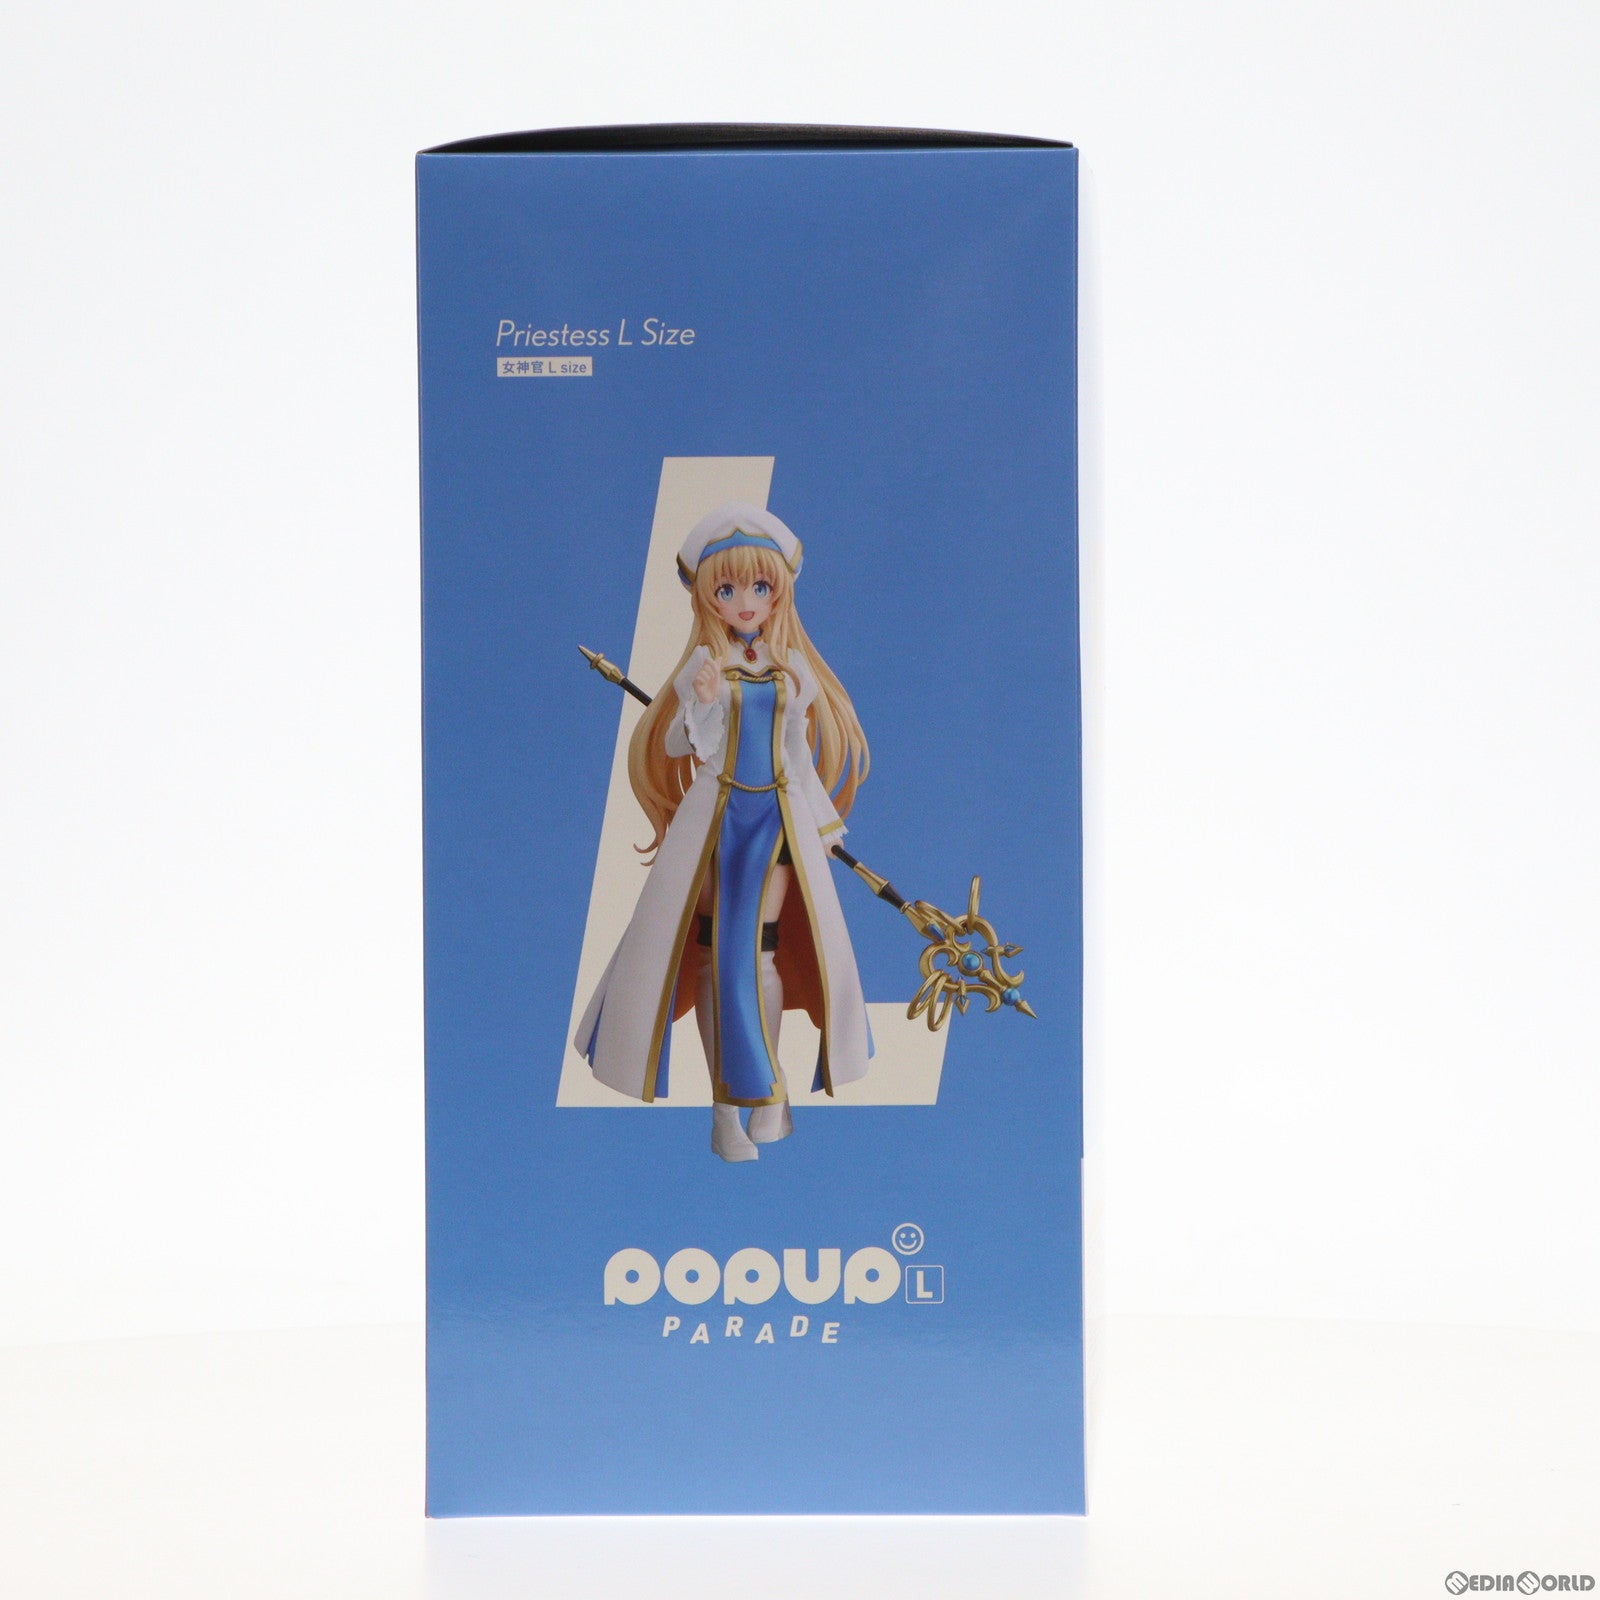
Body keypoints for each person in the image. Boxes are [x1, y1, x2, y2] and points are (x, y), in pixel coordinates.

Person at [574, 502, 872, 1160]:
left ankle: (766, 1095)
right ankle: (727, 1110)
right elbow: (682, 744)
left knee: (758, 953)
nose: (745, 602)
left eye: (760, 587)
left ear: (778, 594)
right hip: (716, 821)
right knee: (717, 954)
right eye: (729, 589)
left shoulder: (792, 672)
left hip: (777, 821)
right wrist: (703, 704)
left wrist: (824, 825)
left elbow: (796, 755)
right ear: (707, 596)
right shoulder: (701, 667)